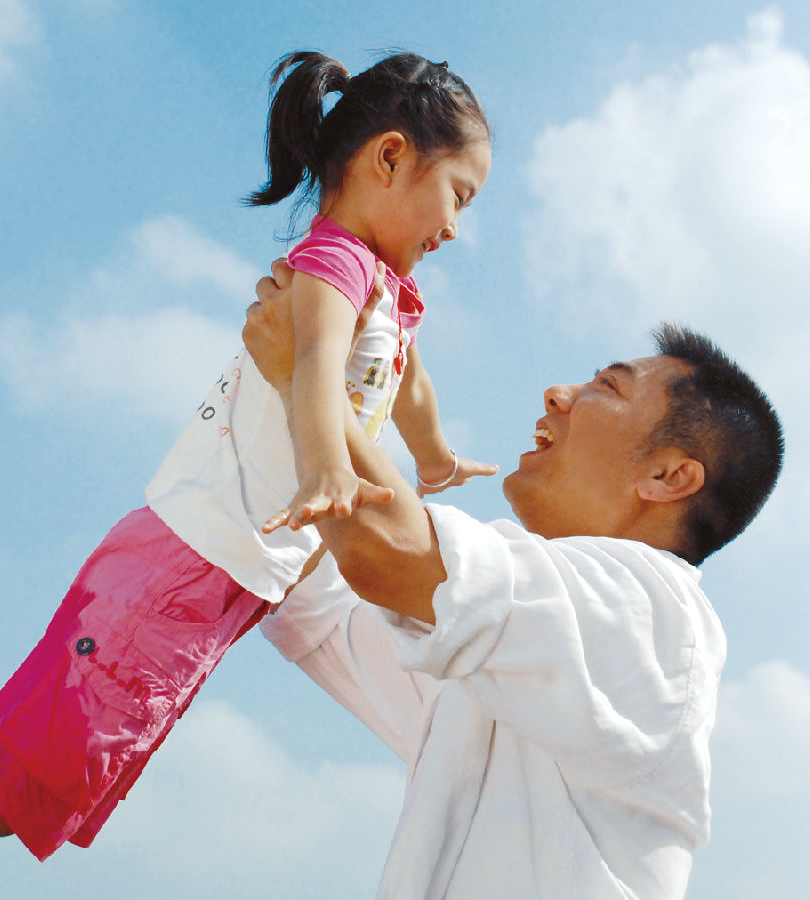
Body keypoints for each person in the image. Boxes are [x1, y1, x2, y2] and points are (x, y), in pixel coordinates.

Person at [0, 51, 496, 861]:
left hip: (209, 580)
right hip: (182, 571)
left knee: (16, 775)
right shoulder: (334, 265)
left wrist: (435, 461)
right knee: (18, 784)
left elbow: (409, 385)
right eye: (458, 195)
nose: (456, 228)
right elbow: (313, 370)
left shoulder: (383, 290)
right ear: (391, 157)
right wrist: (325, 467)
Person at [242, 263, 784, 900]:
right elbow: (319, 598)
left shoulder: (654, 609)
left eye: (608, 386)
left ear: (667, 477)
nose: (558, 393)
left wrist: (305, 370)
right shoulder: (503, 661)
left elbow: (385, 556)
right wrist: (331, 373)